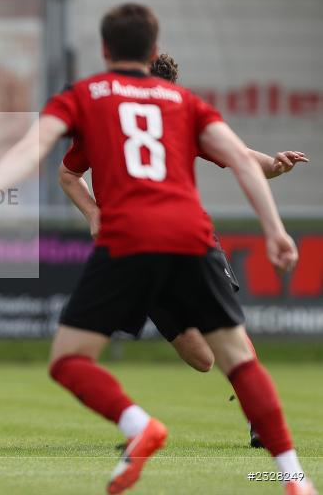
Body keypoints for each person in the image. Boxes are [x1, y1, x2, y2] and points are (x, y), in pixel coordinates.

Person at [0, 4, 315, 495]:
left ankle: (139, 425)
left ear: (105, 51)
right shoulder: (185, 104)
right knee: (216, 358)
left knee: (68, 359)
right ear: (153, 50)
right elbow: (245, 162)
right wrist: (274, 226)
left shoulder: (87, 96)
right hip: (186, 235)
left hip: (130, 242)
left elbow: (31, 146)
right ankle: (293, 476)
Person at [57, 52, 309, 448]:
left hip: (190, 237)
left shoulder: (179, 117)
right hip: (136, 247)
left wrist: (275, 166)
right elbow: (69, 173)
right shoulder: (102, 121)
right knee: (202, 358)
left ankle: (261, 422)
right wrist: (93, 213)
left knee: (225, 332)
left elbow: (238, 156)